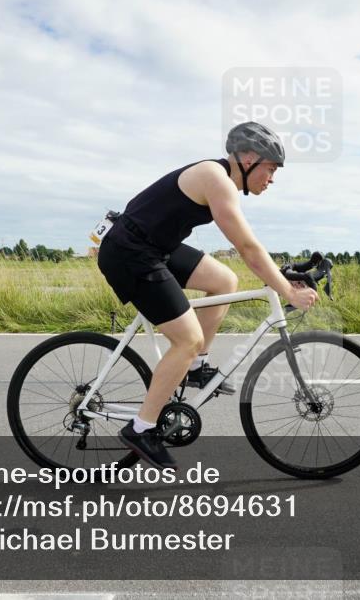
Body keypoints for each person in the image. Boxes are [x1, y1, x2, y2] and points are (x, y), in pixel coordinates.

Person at [97, 121, 318, 469]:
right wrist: (287, 289)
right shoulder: (216, 179)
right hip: (129, 252)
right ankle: (141, 428)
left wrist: (284, 274)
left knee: (225, 281)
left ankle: (195, 366)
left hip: (155, 247)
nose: (272, 178)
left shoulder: (222, 179)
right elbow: (246, 246)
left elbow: (251, 247)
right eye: (270, 168)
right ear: (247, 159)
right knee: (186, 339)